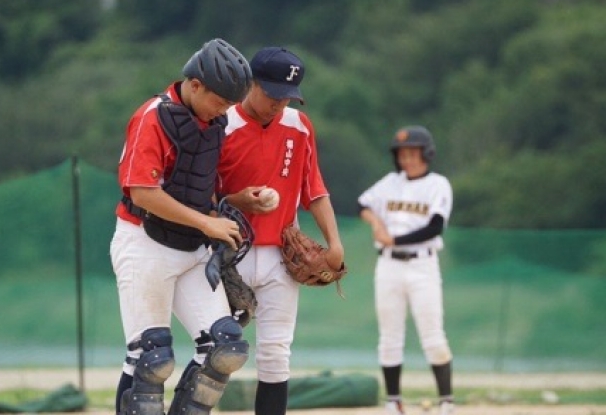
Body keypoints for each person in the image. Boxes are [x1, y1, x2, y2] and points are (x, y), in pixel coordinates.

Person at [109, 38, 254, 415]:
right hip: (145, 243)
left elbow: (199, 184)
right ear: (195, 85)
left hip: (193, 248)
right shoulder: (153, 117)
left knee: (225, 347)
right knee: (150, 357)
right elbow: (142, 192)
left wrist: (224, 210)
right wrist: (206, 222)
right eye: (220, 101)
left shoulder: (214, 122)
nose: (225, 110)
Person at [217, 46, 345, 415]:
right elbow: (202, 195)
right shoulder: (222, 124)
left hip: (280, 256)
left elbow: (314, 190)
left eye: (287, 96)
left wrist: (335, 243)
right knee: (217, 350)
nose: (279, 103)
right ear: (251, 83)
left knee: (275, 353)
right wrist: (237, 200)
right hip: (229, 254)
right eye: (273, 93)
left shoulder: (299, 125)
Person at [357, 125, 455, 415]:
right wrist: (376, 222)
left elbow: (435, 226)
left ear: (427, 154)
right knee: (389, 336)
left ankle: (446, 401)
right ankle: (393, 401)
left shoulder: (437, 184)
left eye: (413, 153)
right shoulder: (391, 182)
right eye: (402, 154)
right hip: (388, 265)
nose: (407, 159)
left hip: (422, 265)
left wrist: (395, 239)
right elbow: (362, 204)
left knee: (432, 335)